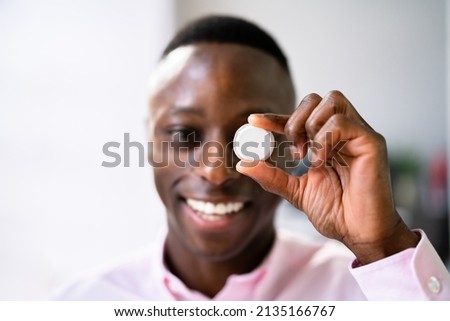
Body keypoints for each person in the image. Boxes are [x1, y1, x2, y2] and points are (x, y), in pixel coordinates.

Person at [55, 15, 450, 300]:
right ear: (148, 138)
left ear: (293, 137)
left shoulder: (372, 291)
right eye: (183, 135)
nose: (216, 171)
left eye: (250, 139)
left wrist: (382, 246)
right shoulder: (84, 302)